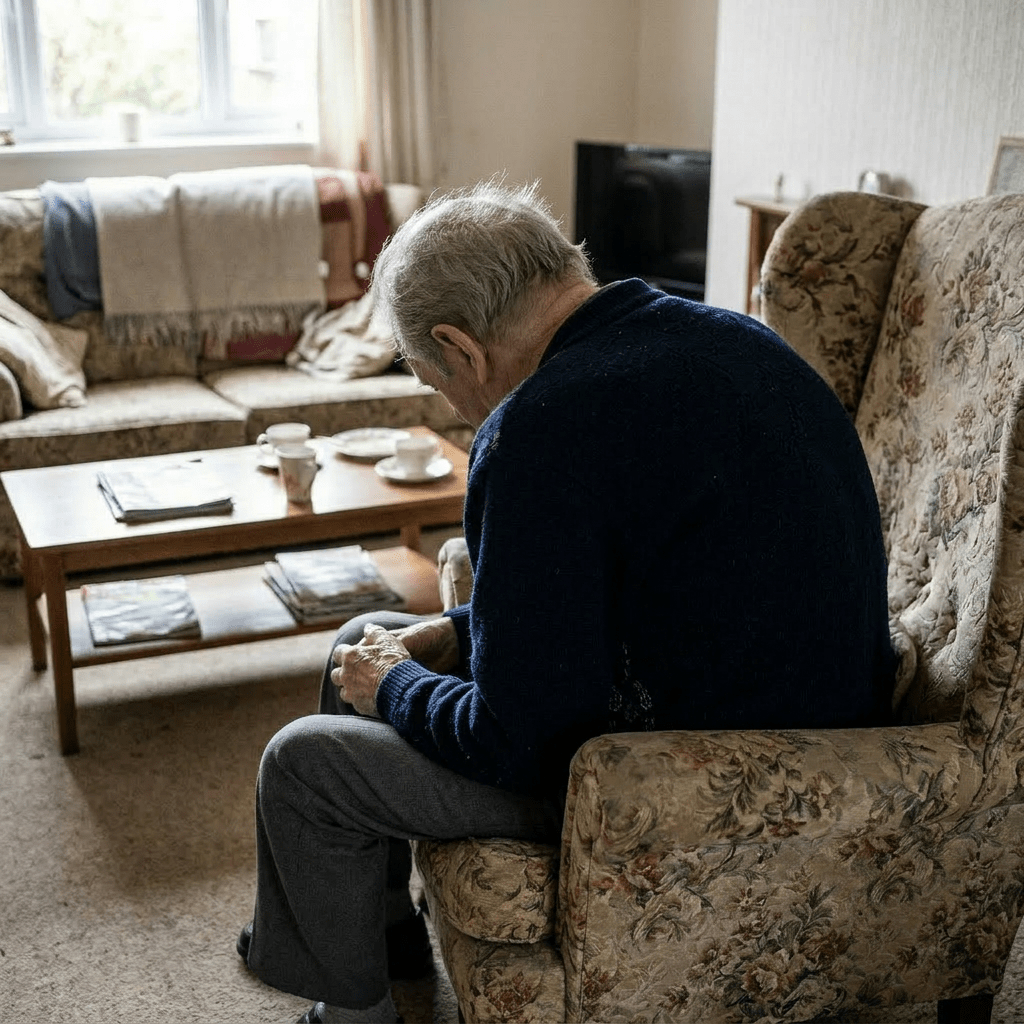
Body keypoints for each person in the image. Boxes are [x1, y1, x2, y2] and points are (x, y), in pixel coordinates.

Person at [238, 180, 897, 1023]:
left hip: (675, 778)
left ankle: (355, 1015)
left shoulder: (538, 431)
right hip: (818, 725)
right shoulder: (730, 336)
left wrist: (396, 688)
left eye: (430, 375)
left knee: (305, 763)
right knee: (375, 633)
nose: (449, 397)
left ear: (460, 347)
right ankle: (381, 932)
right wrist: (456, 631)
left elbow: (524, 741)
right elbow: (645, 584)